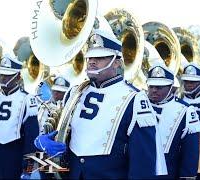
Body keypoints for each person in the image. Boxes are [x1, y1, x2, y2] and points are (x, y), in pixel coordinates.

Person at [34, 20, 167, 179]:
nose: (92, 61)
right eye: (89, 57)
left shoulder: (135, 100)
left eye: (100, 57)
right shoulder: (74, 93)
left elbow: (143, 166)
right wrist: (42, 150)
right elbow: (59, 146)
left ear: (117, 62)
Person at [0, 54, 39, 179]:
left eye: (7, 75)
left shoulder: (27, 99)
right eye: (1, 74)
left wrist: (28, 169)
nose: (3, 78)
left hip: (16, 155)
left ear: (18, 76)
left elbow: (32, 136)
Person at [147, 63, 199, 178]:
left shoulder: (185, 111)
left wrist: (187, 176)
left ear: (171, 87)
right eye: (151, 86)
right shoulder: (138, 104)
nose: (154, 90)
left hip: (168, 172)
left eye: (159, 87)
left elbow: (190, 152)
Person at [180, 62, 200, 179]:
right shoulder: (177, 100)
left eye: (193, 81)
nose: (188, 84)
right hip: (182, 147)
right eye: (186, 81)